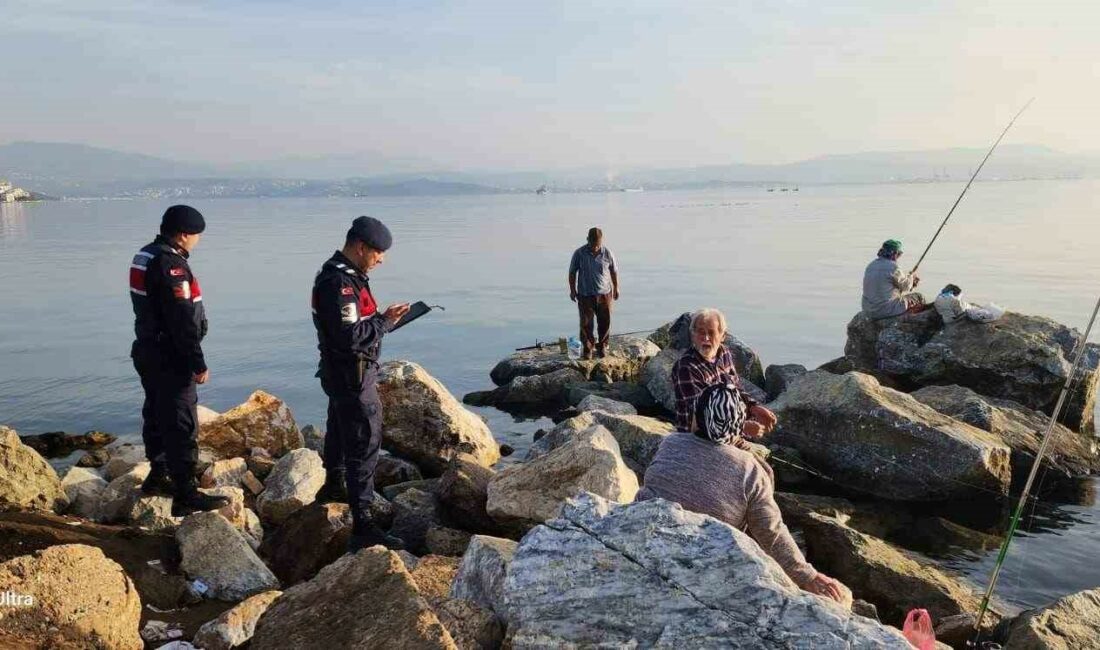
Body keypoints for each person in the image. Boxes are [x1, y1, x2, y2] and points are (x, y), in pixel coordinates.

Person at [638, 383, 850, 605]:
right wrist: (808, 576)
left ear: (697, 416)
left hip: (644, 535)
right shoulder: (750, 470)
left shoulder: (670, 443)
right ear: (738, 424)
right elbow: (770, 531)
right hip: (701, 560)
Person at [311, 216, 410, 552]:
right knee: (365, 441)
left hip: (344, 374)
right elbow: (350, 337)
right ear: (360, 247)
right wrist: (382, 322)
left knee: (339, 429)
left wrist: (385, 320)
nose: (381, 259)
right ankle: (363, 523)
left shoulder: (348, 277)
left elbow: (357, 325)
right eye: (378, 252)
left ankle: (334, 484)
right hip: (352, 375)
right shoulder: (339, 283)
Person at [130, 205, 229, 516]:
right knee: (181, 422)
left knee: (156, 413)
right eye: (196, 235)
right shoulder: (170, 265)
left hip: (147, 349)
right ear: (184, 235)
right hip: (171, 355)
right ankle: (186, 492)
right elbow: (182, 321)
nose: (197, 241)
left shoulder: (144, 255)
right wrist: (197, 363)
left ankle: (158, 475)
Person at [671, 308, 776, 438]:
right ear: (692, 335)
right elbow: (702, 413)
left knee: (757, 457)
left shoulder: (724, 353)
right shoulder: (686, 367)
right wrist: (742, 426)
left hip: (728, 434)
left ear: (723, 336)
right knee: (747, 459)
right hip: (698, 438)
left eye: (711, 332)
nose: (706, 338)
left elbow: (735, 390)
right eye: (700, 332)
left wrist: (753, 407)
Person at [568, 227, 619, 359]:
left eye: (597, 244)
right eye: (592, 244)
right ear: (587, 240)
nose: (595, 247)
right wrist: (573, 290)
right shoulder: (579, 253)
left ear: (601, 241)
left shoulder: (607, 253)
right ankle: (588, 348)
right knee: (586, 324)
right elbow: (572, 272)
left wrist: (616, 287)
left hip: (605, 294)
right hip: (585, 294)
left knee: (605, 322)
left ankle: (602, 346)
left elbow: (613, 271)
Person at [861, 239, 927, 320]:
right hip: (885, 310)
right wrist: (912, 278)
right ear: (894, 254)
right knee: (919, 297)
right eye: (899, 254)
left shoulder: (871, 265)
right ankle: (914, 321)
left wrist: (909, 278)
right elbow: (906, 287)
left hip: (868, 310)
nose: (899, 257)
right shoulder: (893, 267)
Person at [934, 284, 1004, 324]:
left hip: (944, 317)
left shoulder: (939, 297)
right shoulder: (954, 300)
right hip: (950, 321)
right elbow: (960, 314)